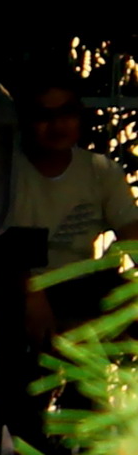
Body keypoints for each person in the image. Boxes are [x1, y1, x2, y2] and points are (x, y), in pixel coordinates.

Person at [8, 76, 138, 347]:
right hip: (15, 288)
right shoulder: (5, 174)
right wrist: (31, 293)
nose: (58, 125)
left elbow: (132, 234)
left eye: (66, 113)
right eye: (44, 116)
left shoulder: (100, 171)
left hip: (79, 286)